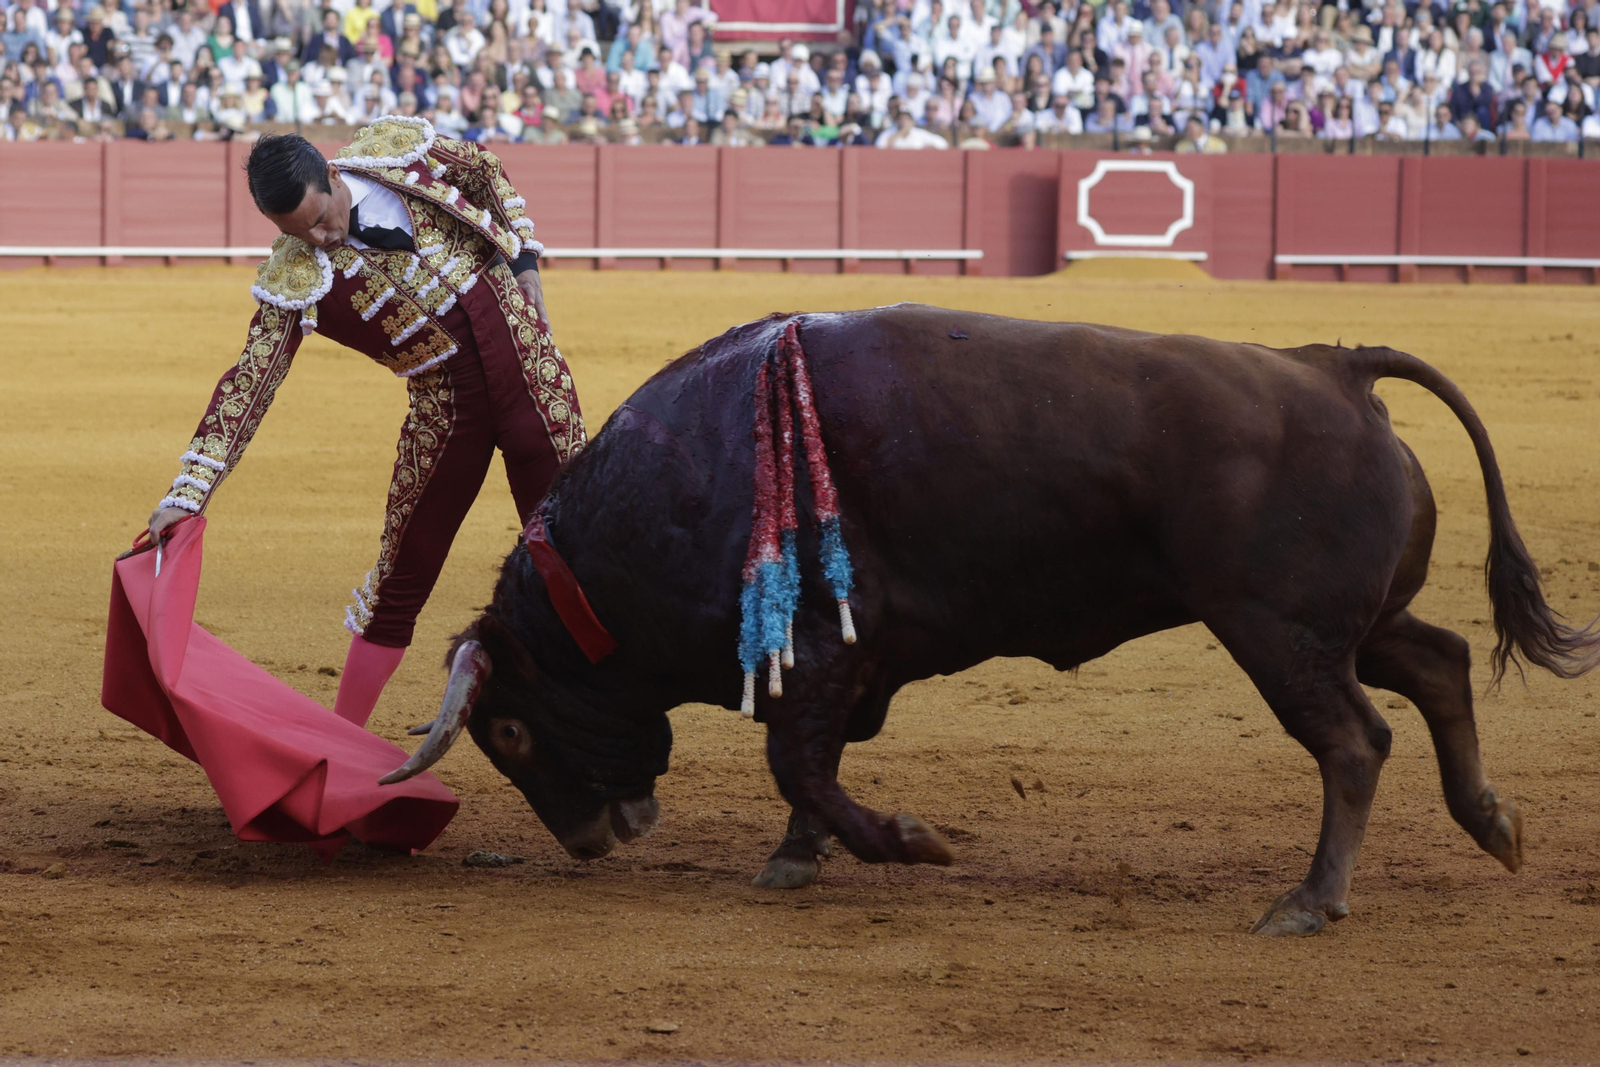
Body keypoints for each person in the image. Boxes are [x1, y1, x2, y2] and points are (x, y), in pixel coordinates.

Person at [143, 119, 582, 731]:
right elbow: (249, 383)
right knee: (401, 576)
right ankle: (341, 741)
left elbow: (485, 171)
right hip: (445, 414)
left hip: (534, 379)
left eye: (322, 219)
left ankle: (596, 712)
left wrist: (525, 259)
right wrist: (188, 494)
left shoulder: (398, 153)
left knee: (574, 549)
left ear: (331, 174)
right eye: (300, 233)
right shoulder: (298, 276)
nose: (320, 240)